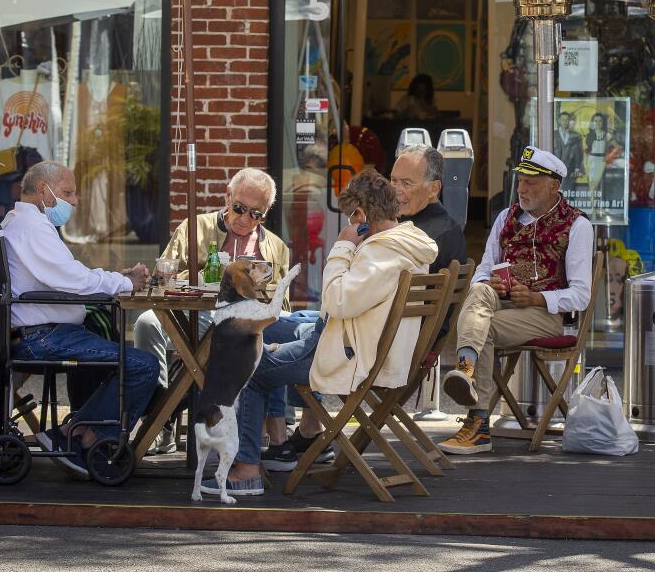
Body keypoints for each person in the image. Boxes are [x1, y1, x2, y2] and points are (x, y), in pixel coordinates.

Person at [209, 171, 436, 498]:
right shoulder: (408, 243)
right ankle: (286, 439)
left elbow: (337, 299)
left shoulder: (382, 252)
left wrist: (344, 246)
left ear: (360, 215)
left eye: (351, 215)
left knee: (249, 366)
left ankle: (245, 470)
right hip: (358, 341)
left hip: (349, 355)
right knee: (282, 323)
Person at [2, 160, 157, 476]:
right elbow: (73, 280)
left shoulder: (25, 221)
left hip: (45, 330)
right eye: (68, 192)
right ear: (44, 190)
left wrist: (116, 277)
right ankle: (80, 434)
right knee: (143, 365)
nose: (73, 201)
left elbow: (69, 276)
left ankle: (81, 430)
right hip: (43, 336)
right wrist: (125, 283)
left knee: (118, 350)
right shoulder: (31, 227)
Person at [439, 146, 593, 455]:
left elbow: (581, 295)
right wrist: (489, 280)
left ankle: (479, 423)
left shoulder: (576, 225)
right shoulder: (504, 218)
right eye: (521, 180)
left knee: (484, 326)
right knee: (480, 292)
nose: (522, 188)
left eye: (531, 182)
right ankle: (466, 368)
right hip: (500, 303)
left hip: (544, 316)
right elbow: (484, 267)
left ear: (554, 186)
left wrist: (537, 297)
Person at [133, 167, 291, 454]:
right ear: (227, 197)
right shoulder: (196, 228)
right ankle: (158, 416)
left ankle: (275, 426)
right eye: (240, 208)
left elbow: (283, 304)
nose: (245, 219)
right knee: (146, 322)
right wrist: (208, 276)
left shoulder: (276, 247)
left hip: (246, 324)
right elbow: (161, 278)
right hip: (197, 313)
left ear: (266, 213)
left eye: (256, 214)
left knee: (277, 334)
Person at [390, 144, 467, 277]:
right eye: (393, 180)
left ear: (434, 189)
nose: (395, 190)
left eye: (406, 183)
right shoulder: (391, 221)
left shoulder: (444, 234)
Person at [553, 111, 585, 185]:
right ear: (559, 121)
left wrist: (578, 168)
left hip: (570, 168)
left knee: (569, 190)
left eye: (567, 120)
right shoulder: (553, 134)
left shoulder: (575, 136)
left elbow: (579, 153)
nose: (565, 122)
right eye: (563, 120)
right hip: (555, 168)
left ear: (569, 121)